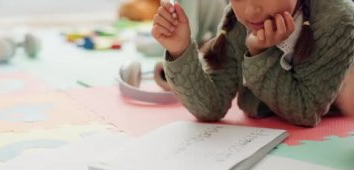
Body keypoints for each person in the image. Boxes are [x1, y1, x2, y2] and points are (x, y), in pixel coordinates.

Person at [151, 0, 354, 127]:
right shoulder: (237, 22)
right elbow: (210, 108)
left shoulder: (339, 21)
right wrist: (179, 49)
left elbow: (306, 112)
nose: (252, 10)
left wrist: (260, 52)